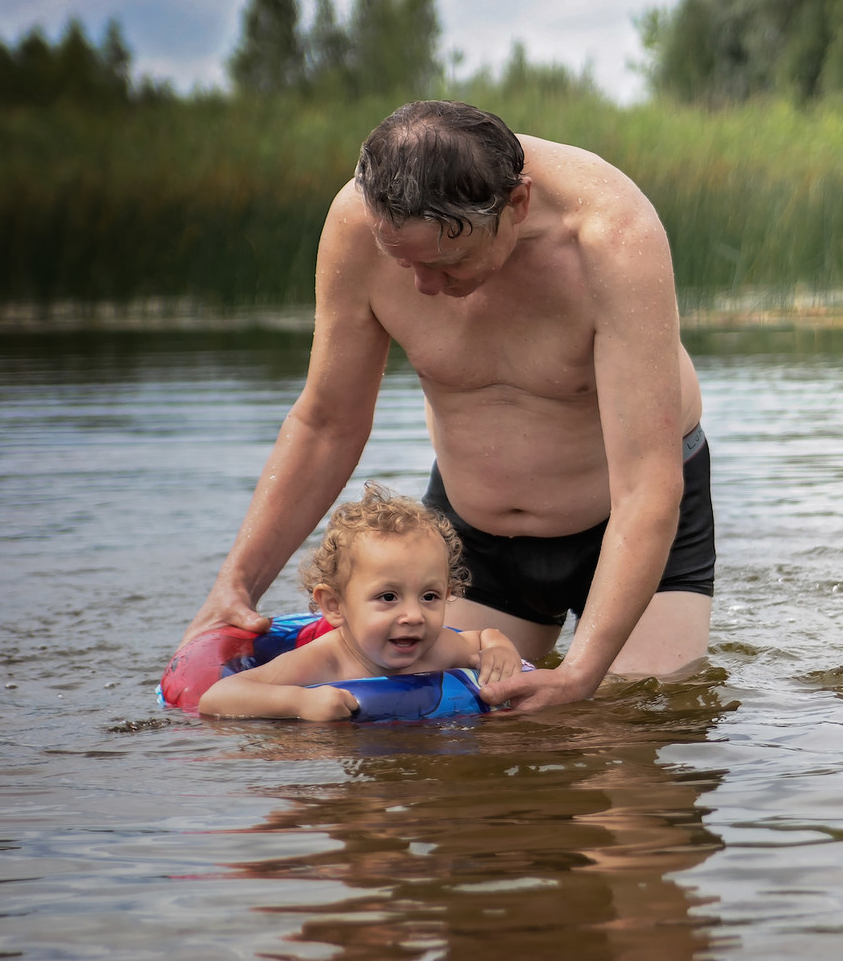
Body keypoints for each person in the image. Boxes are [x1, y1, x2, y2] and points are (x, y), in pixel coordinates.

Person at [181, 101, 713, 711]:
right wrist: (236, 584)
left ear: (516, 206)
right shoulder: (357, 226)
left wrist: (580, 673)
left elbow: (648, 487)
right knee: (454, 736)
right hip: (476, 530)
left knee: (628, 725)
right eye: (402, 262)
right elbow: (328, 422)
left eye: (446, 262)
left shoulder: (613, 238)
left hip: (633, 516)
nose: (424, 289)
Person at [200, 483, 522, 720]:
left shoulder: (440, 647)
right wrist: (298, 703)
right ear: (334, 606)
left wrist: (498, 646)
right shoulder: (323, 662)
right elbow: (217, 697)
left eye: (429, 596)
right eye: (388, 597)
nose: (413, 615)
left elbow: (481, 638)